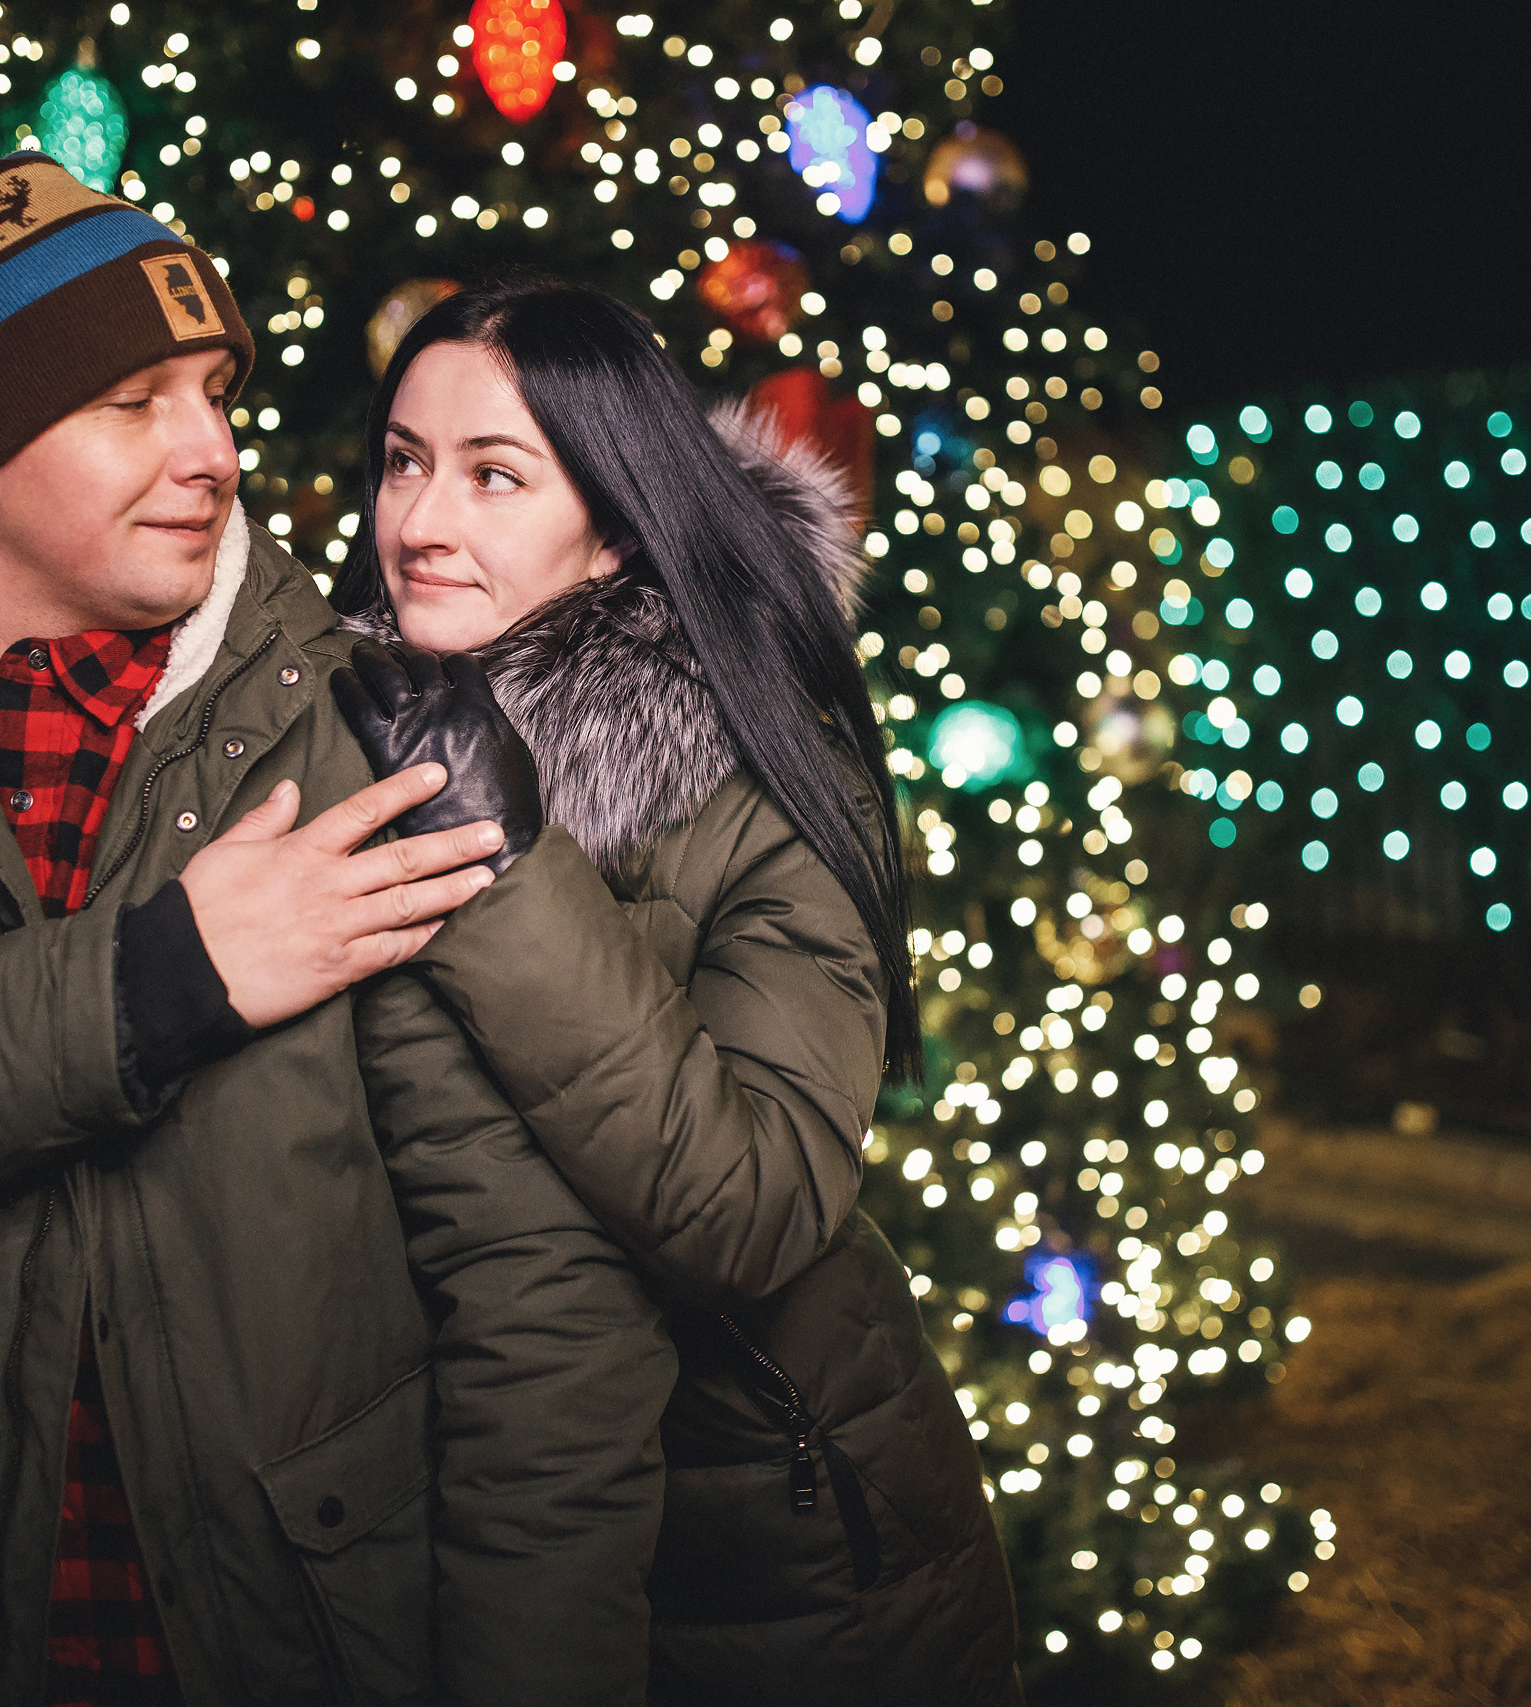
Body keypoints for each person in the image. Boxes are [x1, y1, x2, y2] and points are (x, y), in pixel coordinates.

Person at [0, 107, 672, 1707]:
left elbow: (545, 1314)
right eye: (132, 402)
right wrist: (157, 981)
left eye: (215, 394)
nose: (213, 451)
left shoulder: (369, 733)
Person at [328, 279, 1026, 1705]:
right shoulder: (341, 730)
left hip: (778, 1564)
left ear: (620, 524)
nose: (421, 522)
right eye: (404, 462)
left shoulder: (756, 771)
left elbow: (756, 1204)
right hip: (432, 1542)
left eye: (495, 474)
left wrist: (501, 859)